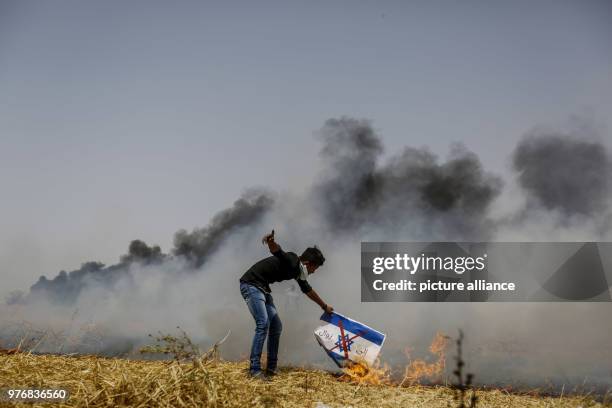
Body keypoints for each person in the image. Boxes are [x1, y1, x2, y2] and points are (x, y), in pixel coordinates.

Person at [239, 230, 334, 378]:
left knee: (276, 326)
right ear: (308, 264)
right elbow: (278, 252)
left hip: (263, 288)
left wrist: (324, 306)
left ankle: (271, 369)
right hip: (251, 284)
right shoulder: (293, 260)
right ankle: (255, 370)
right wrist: (270, 241)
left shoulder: (298, 272)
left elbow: (308, 291)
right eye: (315, 268)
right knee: (263, 324)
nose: (315, 272)